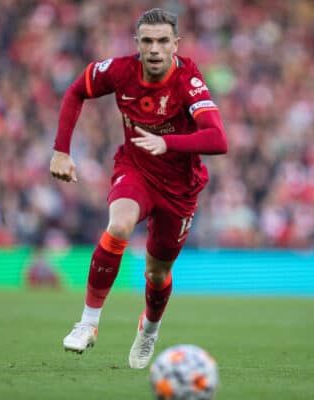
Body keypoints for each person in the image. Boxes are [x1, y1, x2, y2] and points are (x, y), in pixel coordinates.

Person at [50, 8, 228, 369]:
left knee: (156, 272)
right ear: (137, 44)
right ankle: (88, 323)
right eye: (147, 41)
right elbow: (75, 92)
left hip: (179, 188)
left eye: (163, 41)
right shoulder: (120, 71)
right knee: (118, 226)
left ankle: (149, 329)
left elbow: (218, 138)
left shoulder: (188, 79)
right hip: (136, 170)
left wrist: (170, 143)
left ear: (176, 44)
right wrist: (61, 151)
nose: (155, 49)